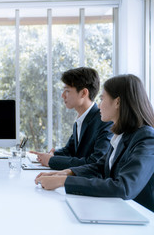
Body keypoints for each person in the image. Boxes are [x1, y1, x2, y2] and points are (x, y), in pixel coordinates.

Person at [35, 74, 154, 212]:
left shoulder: (146, 138)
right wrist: (66, 173)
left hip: (142, 217)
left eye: (102, 99)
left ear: (117, 102)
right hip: (120, 210)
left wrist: (63, 182)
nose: (99, 105)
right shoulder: (123, 135)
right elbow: (99, 167)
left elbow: (124, 187)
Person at [31, 67, 113, 170]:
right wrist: (52, 154)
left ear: (83, 93)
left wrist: (51, 160)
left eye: (67, 91)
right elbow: (69, 151)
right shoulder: (81, 119)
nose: (62, 95)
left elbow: (96, 162)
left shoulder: (104, 121)